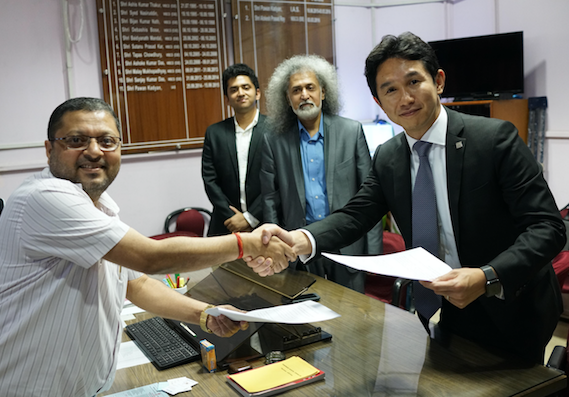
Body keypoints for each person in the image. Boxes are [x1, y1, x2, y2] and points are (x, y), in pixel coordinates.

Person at [253, 33, 566, 364]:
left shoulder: (493, 140)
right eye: (390, 89)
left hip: (512, 306)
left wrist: (487, 276)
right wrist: (300, 239)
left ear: (439, 81)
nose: (405, 97)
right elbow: (356, 214)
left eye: (414, 81)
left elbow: (548, 227)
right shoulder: (389, 157)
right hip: (446, 310)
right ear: (378, 101)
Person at [0, 97, 295, 397]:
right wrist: (248, 243)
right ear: (49, 149)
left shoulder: (99, 207)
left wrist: (204, 314)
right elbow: (149, 258)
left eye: (107, 141)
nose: (94, 151)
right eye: (76, 140)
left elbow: (135, 284)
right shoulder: (45, 198)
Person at [261, 54, 383, 293]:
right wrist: (275, 247)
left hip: (348, 245)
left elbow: (370, 194)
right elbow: (269, 200)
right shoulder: (274, 141)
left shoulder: (351, 131)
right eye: (296, 90)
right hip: (299, 246)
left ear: (323, 93)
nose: (304, 95)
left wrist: (373, 252)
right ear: (287, 99)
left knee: (352, 318)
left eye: (310, 87)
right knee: (310, 320)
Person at [202, 64, 267, 236]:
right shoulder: (215, 133)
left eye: (246, 87)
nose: (241, 93)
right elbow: (210, 180)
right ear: (227, 99)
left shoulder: (275, 130)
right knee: (224, 265)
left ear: (257, 93)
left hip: (265, 224)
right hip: (225, 225)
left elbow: (278, 182)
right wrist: (233, 218)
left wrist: (250, 218)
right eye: (234, 89)